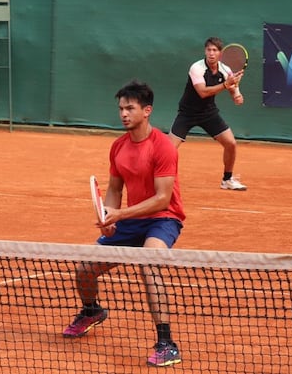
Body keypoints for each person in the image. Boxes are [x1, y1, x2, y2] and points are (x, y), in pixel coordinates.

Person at [63, 79, 185, 368]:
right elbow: (115, 189)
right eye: (121, 108)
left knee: (149, 263)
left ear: (147, 111)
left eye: (130, 108)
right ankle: (91, 310)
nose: (123, 114)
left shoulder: (164, 147)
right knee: (85, 270)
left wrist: (120, 215)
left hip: (162, 219)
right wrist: (109, 215)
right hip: (130, 219)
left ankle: (166, 342)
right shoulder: (118, 147)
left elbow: (162, 199)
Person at [168, 36, 247, 190]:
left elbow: (232, 88)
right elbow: (203, 92)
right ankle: (158, 179)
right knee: (168, 150)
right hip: (187, 113)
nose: (211, 53)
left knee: (231, 143)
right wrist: (226, 84)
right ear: (205, 51)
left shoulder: (225, 70)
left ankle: (227, 179)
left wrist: (236, 95)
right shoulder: (196, 68)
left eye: (215, 50)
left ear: (220, 54)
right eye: (209, 50)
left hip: (208, 113)